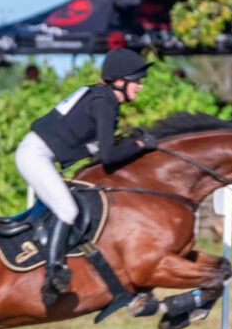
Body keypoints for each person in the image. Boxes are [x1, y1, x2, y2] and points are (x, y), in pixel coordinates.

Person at [17, 47, 157, 305]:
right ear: (119, 81)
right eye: (136, 80)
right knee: (68, 211)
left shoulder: (100, 97)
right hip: (35, 156)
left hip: (38, 154)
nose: (140, 86)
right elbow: (108, 156)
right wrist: (140, 146)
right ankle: (53, 275)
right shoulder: (104, 103)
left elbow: (98, 148)